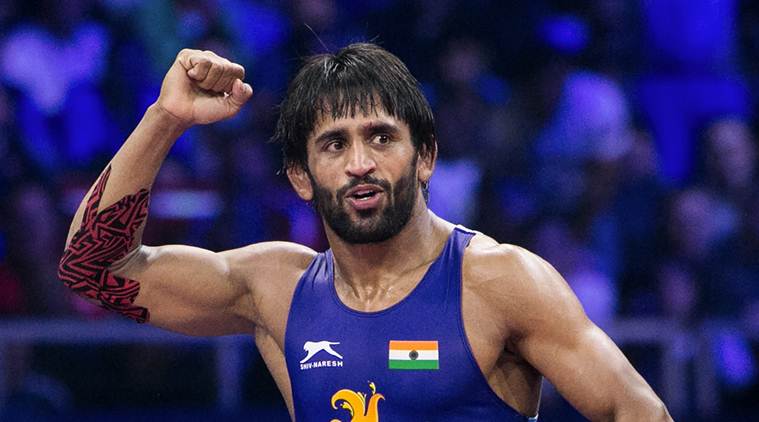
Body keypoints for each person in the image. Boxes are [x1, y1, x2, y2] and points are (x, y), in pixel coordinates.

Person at [58, 44, 672, 421]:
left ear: (425, 156)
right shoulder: (275, 288)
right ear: (301, 176)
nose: (360, 163)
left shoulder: (499, 278)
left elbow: (636, 411)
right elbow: (92, 269)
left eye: (381, 137)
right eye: (334, 144)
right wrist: (166, 118)